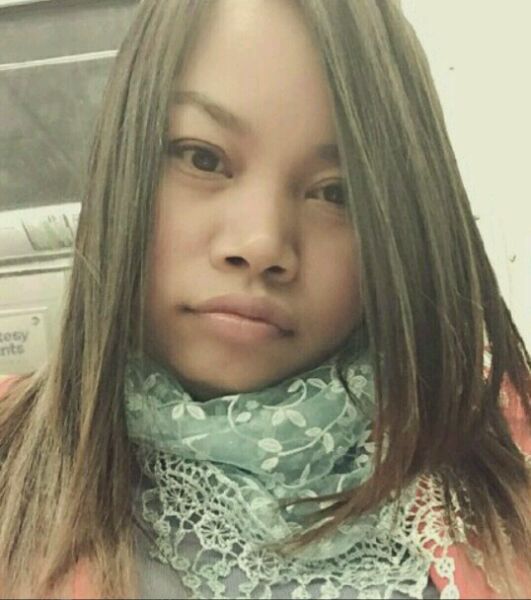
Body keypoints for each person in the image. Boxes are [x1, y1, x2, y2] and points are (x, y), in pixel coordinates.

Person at [0, 1, 529, 598]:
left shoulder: (501, 456)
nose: (261, 244)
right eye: (203, 158)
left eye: (336, 193)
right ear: (123, 161)